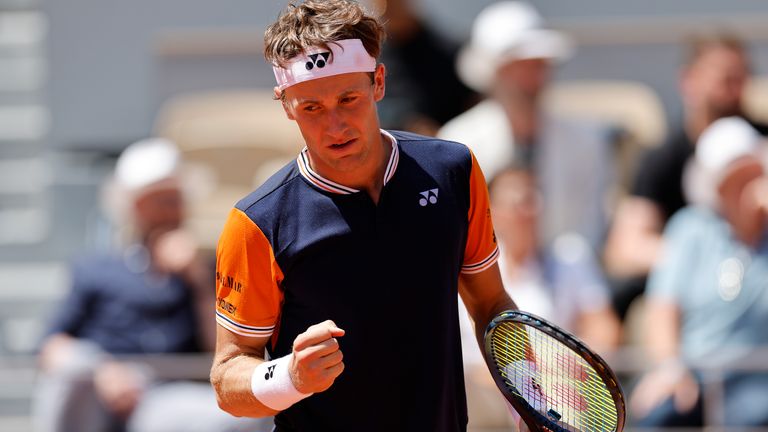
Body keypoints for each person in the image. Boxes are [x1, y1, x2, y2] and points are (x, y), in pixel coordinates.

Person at [209, 1, 519, 431]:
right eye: (311, 108)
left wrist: (529, 396)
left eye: (348, 98)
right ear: (285, 106)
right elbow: (228, 377)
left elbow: (490, 303)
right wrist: (290, 376)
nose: (335, 125)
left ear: (379, 82)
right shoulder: (257, 223)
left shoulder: (454, 170)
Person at [34, 138, 270, 432]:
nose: (171, 210)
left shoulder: (209, 271)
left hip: (164, 396)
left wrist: (198, 282)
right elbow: (53, 346)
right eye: (159, 201)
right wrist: (102, 370)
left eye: (176, 199)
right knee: (72, 370)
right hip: (96, 392)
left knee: (246, 417)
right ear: (135, 207)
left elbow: (226, 352)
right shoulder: (95, 268)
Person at [604, 33, 768, 320]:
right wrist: (704, 257)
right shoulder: (664, 158)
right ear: (688, 81)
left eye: (739, 78)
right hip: (689, 301)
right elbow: (624, 249)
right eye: (722, 78)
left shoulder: (762, 144)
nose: (731, 89)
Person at [438, 1, 616, 251]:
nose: (532, 77)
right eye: (518, 65)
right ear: (494, 72)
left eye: (539, 64)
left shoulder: (584, 142)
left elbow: (589, 231)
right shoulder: (458, 143)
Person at [630, 117, 768, 427]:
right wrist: (669, 368)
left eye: (752, 173)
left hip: (759, 378)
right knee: (653, 418)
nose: (747, 186)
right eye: (735, 178)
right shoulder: (691, 228)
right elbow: (663, 309)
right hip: (694, 376)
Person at [460, 168, 621, 429]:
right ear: (493, 212)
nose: (528, 212)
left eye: (533, 200)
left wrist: (565, 371)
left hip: (556, 389)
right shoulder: (464, 271)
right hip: (481, 395)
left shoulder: (570, 256)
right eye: (518, 202)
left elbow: (605, 329)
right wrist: (522, 382)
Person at [375, 0, 479, 135]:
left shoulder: (448, 51)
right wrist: (406, 122)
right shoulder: (372, 57)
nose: (389, 7)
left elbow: (471, 102)